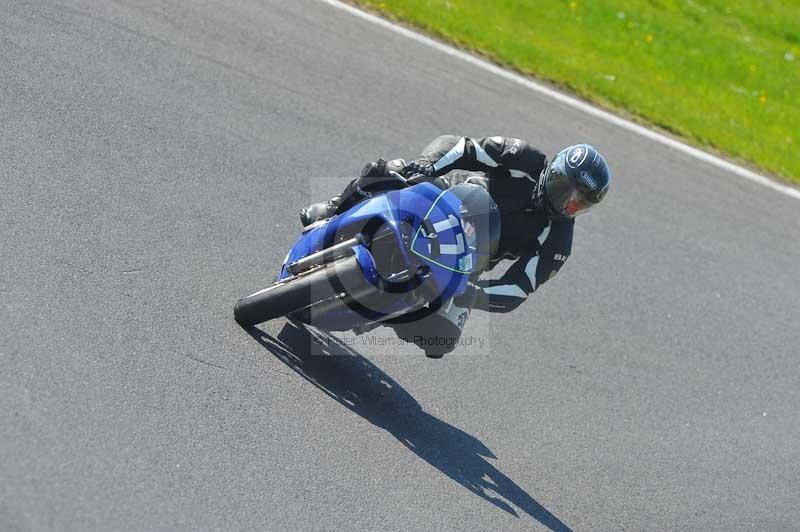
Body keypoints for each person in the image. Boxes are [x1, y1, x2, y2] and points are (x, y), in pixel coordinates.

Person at [300, 136, 612, 357]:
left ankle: (378, 313)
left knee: (441, 340)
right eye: (564, 190)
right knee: (389, 170)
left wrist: (473, 294)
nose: (567, 204)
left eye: (579, 203)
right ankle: (335, 208)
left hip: (464, 263)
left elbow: (518, 288)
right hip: (443, 201)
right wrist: (424, 167)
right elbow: (464, 147)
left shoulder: (558, 240)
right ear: (553, 172)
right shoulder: (525, 158)